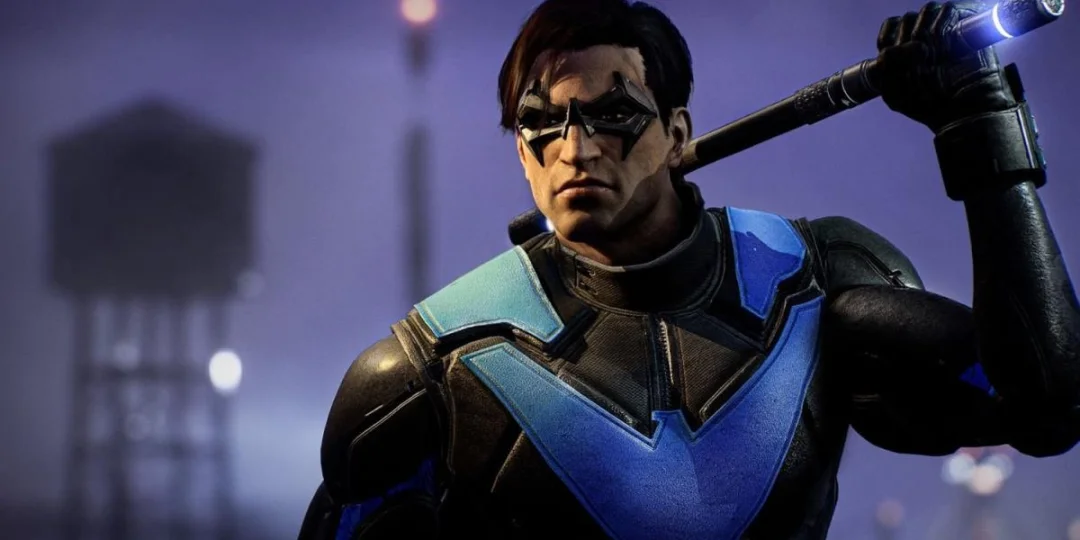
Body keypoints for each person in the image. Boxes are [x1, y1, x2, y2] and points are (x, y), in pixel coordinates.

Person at [297, 0, 1080, 538]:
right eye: (541, 122)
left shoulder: (812, 281)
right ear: (521, 153)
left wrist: (979, 120)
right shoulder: (431, 367)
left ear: (676, 134)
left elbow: (1049, 408)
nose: (574, 148)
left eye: (612, 114)